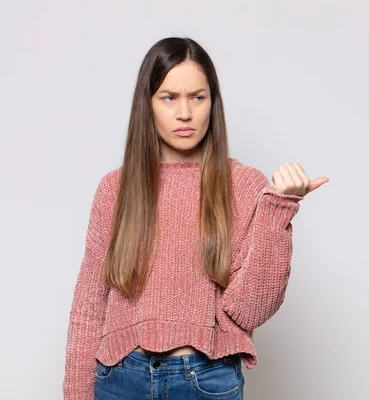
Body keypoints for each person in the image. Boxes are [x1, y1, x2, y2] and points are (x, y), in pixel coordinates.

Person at [62, 37, 328, 400]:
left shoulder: (244, 185)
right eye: (169, 97)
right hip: (120, 381)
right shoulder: (115, 189)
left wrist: (279, 210)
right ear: (148, 104)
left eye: (197, 97)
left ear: (212, 104)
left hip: (204, 381)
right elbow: (89, 308)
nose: (184, 113)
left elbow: (250, 310)